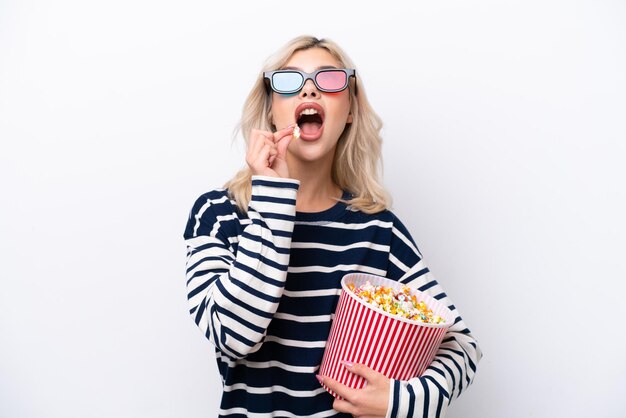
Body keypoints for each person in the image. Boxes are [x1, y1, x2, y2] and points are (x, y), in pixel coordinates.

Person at [183, 35, 482, 418]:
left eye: (330, 80)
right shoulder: (218, 215)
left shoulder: (379, 231)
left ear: (351, 110)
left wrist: (398, 401)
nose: (309, 88)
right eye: (289, 80)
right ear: (272, 110)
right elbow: (235, 335)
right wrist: (274, 196)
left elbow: (460, 346)